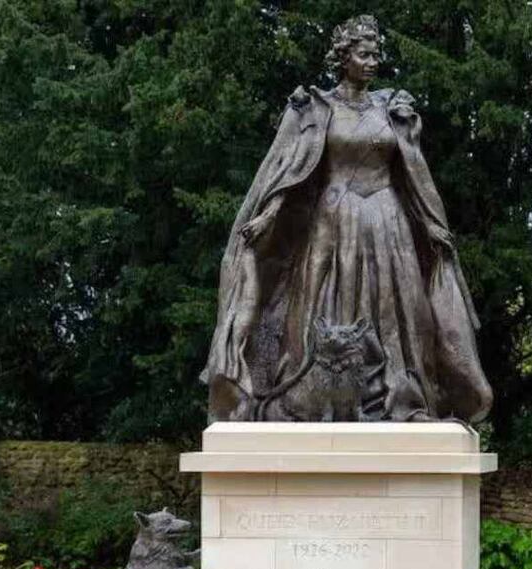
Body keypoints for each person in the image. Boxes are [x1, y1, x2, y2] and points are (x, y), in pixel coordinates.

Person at [202, 15, 492, 423]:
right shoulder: (314, 107)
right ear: (343, 58)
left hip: (388, 219)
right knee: (318, 308)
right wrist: (267, 214)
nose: (372, 61)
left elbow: (413, 171)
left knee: (403, 311)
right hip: (332, 218)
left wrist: (430, 220)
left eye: (376, 54)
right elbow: (286, 169)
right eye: (363, 53)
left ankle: (404, 400)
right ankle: (311, 399)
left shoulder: (393, 107)